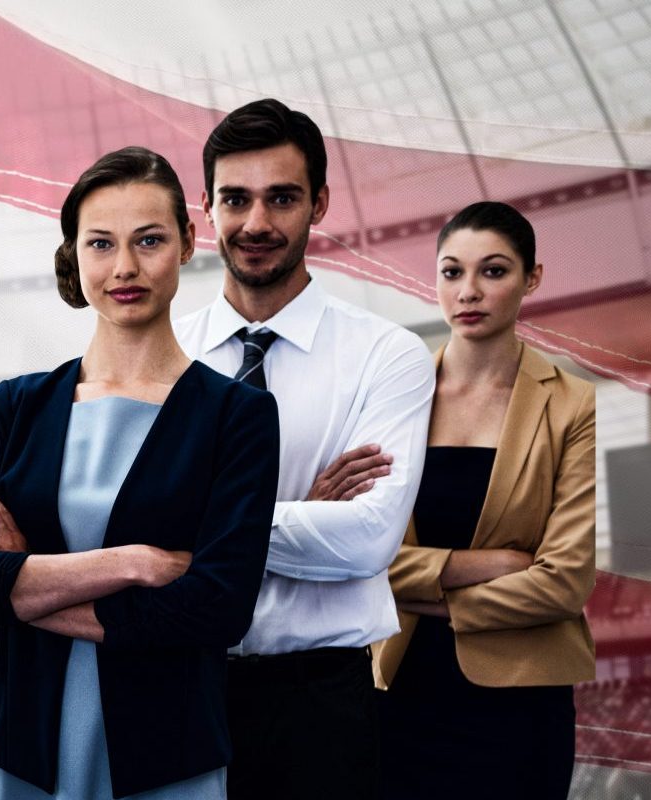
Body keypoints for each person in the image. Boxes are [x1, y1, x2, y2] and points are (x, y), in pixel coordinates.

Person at [0, 147, 278, 800]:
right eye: (101, 243)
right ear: (75, 253)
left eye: (149, 240)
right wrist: (131, 563)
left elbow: (219, 610)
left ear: (188, 243)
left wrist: (24, 584)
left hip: (168, 763)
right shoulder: (15, 409)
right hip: (25, 757)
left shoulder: (238, 416)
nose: (125, 267)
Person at [169, 99, 437, 799]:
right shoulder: (159, 355)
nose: (256, 223)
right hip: (176, 690)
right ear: (205, 207)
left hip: (319, 706)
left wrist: (197, 527)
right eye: (236, 199)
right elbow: (117, 528)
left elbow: (367, 541)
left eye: (281, 198)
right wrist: (297, 512)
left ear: (319, 204)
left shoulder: (389, 355)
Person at [369, 201, 595, 798]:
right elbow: (361, 554)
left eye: (493, 272)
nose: (468, 291)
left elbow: (564, 582)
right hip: (399, 692)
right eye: (452, 272)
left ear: (532, 278)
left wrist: (435, 598)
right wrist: (481, 566)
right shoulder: (391, 395)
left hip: (521, 707)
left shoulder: (572, 404)